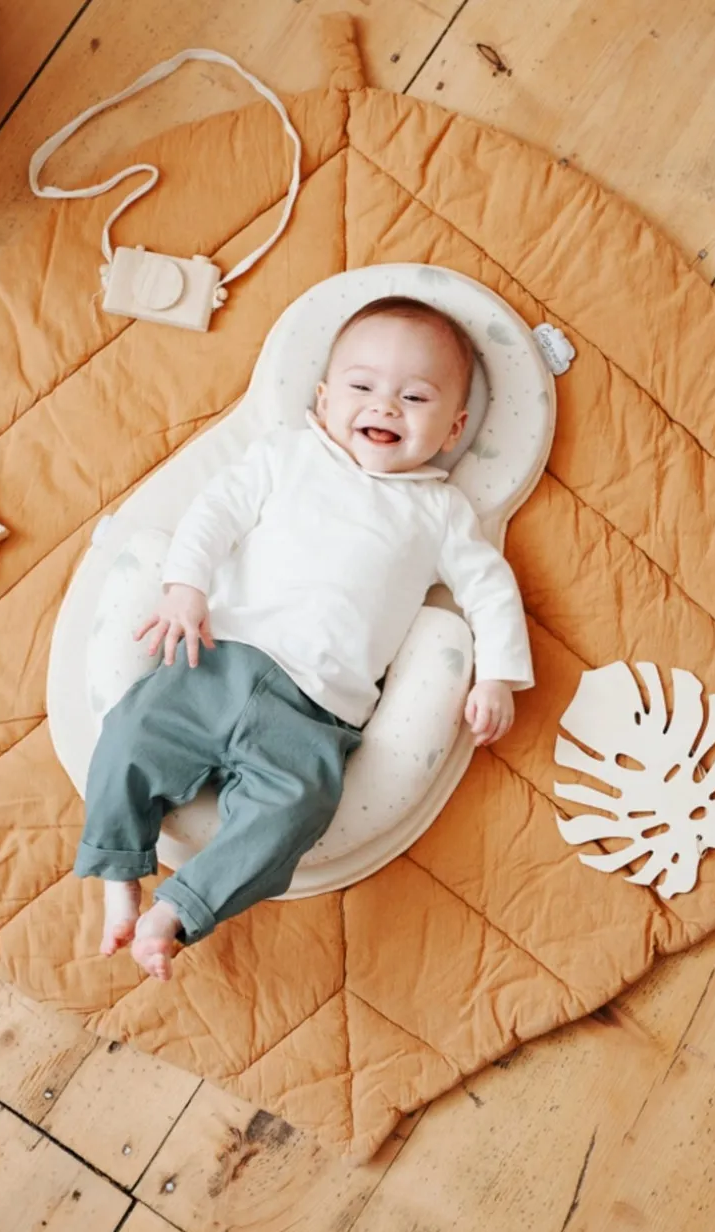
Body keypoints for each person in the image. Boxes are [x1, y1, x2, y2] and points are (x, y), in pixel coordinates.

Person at [74, 296, 533, 980]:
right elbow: (214, 512)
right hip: (214, 659)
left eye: (415, 397)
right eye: (362, 386)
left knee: (295, 814)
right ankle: (120, 878)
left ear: (454, 428)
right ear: (322, 398)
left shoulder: (442, 511)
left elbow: (490, 589)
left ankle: (178, 910)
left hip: (316, 711)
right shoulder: (286, 456)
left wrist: (496, 675)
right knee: (128, 734)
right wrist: (185, 586)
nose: (385, 406)